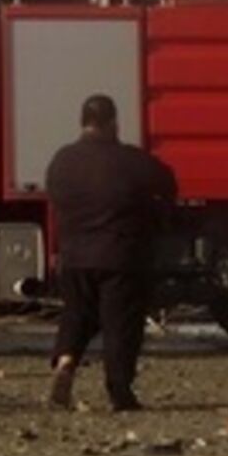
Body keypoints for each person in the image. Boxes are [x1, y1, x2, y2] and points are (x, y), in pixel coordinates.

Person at [45, 94, 178, 410]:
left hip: (75, 256)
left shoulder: (62, 160)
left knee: (76, 315)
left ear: (83, 123)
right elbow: (168, 183)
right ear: (113, 123)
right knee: (120, 325)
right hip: (120, 255)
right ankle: (119, 391)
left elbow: (55, 200)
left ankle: (66, 362)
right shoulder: (131, 160)